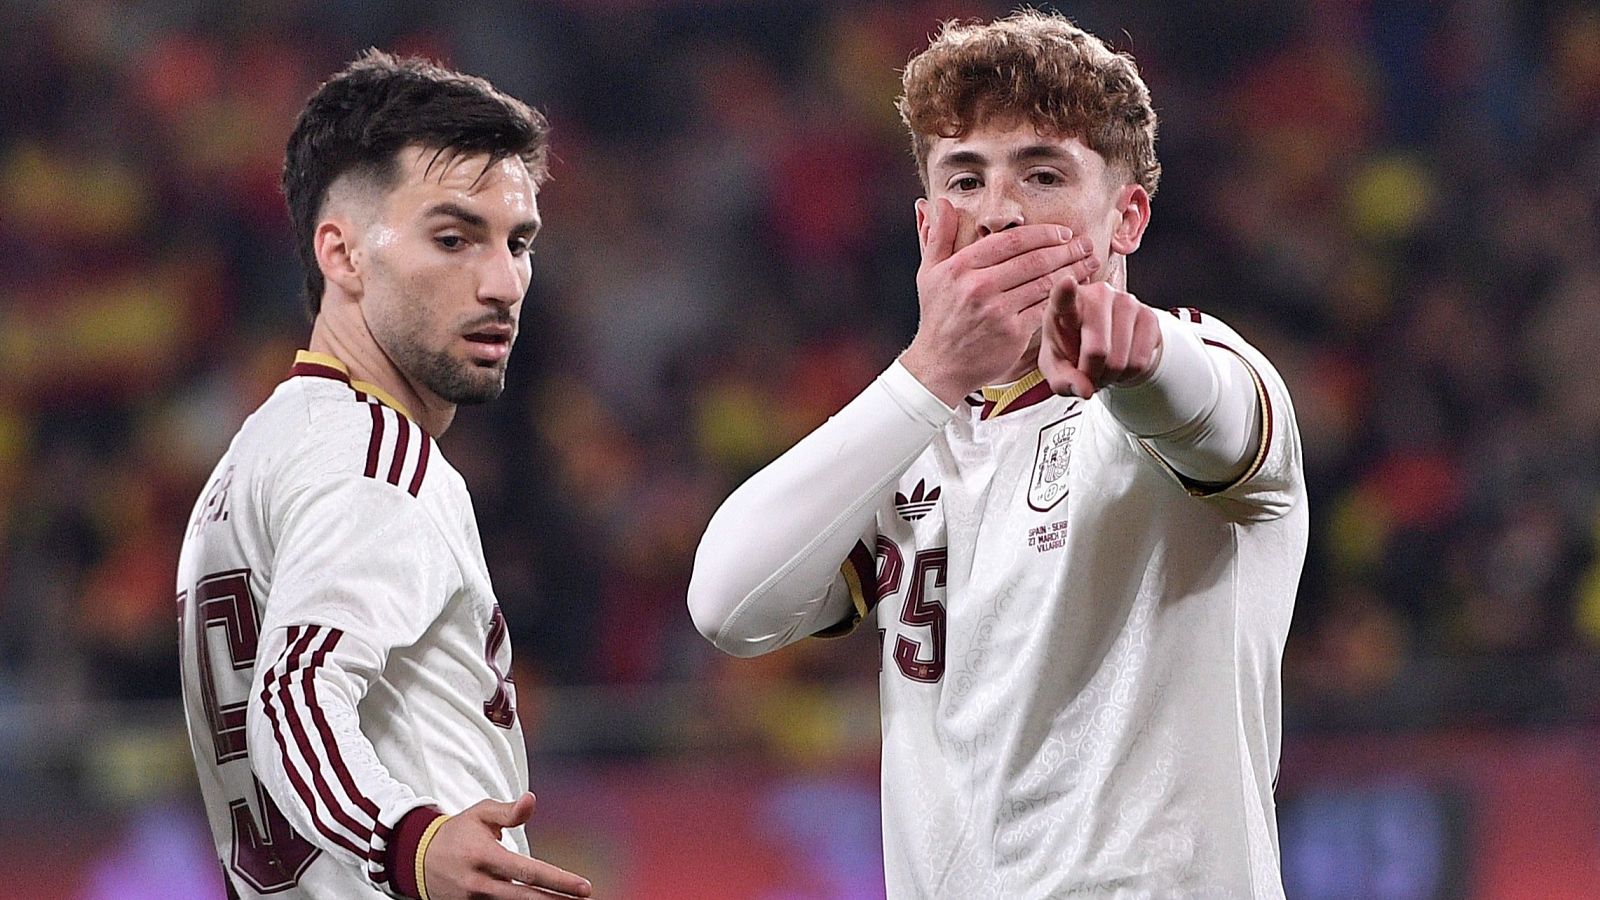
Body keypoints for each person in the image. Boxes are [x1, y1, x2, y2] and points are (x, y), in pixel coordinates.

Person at [688, 11, 1306, 898]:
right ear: (925, 226)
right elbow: (727, 604)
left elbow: (1210, 412)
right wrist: (930, 373)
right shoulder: (909, 435)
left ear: (1126, 217)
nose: (999, 213)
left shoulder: (1200, 369)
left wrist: (1138, 360)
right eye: (965, 178)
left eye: (1043, 174)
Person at [176, 51, 592, 900]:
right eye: (453, 239)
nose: (503, 282)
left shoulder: (259, 454)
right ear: (343, 254)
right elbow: (295, 696)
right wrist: (410, 842)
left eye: (518, 242)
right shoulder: (372, 458)